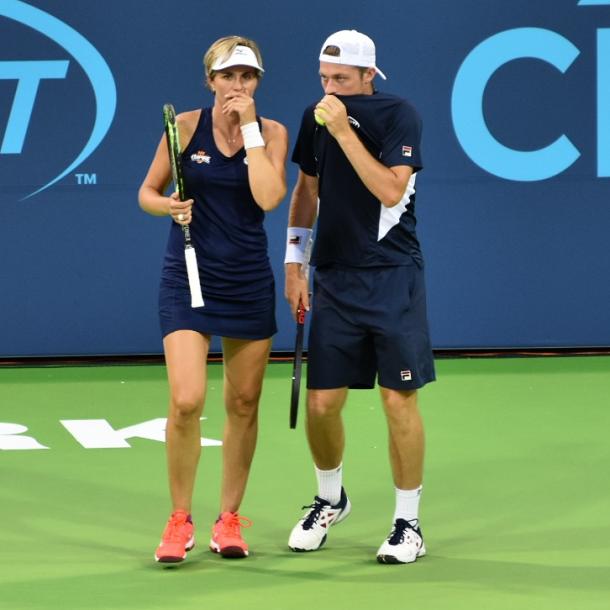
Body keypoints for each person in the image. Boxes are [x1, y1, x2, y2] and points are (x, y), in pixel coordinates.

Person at [284, 30, 435, 564]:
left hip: (392, 273)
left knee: (398, 402)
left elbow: (391, 190)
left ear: (369, 75)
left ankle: (407, 523)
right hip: (335, 278)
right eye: (324, 80)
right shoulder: (314, 116)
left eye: (342, 81)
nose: (330, 91)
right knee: (323, 403)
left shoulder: (399, 115)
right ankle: (330, 500)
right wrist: (294, 262)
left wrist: (345, 131)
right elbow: (307, 190)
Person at [138, 35, 288, 563]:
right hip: (188, 278)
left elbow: (269, 197)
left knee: (243, 404)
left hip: (247, 280)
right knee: (186, 400)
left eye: (247, 76)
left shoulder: (271, 133)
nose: (238, 85)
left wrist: (248, 129)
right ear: (211, 81)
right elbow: (147, 192)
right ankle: (179, 520)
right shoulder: (182, 127)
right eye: (229, 76)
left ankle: (229, 520)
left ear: (257, 83)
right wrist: (168, 207)